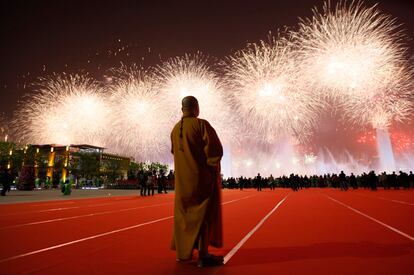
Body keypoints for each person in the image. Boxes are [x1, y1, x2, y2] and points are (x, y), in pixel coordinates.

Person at [170, 96, 224, 267]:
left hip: (182, 183)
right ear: (195, 108)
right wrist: (211, 171)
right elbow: (215, 151)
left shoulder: (175, 129)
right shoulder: (201, 125)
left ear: (182, 109)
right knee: (204, 217)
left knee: (184, 218)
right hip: (200, 181)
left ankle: (182, 254)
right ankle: (203, 254)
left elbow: (175, 152)